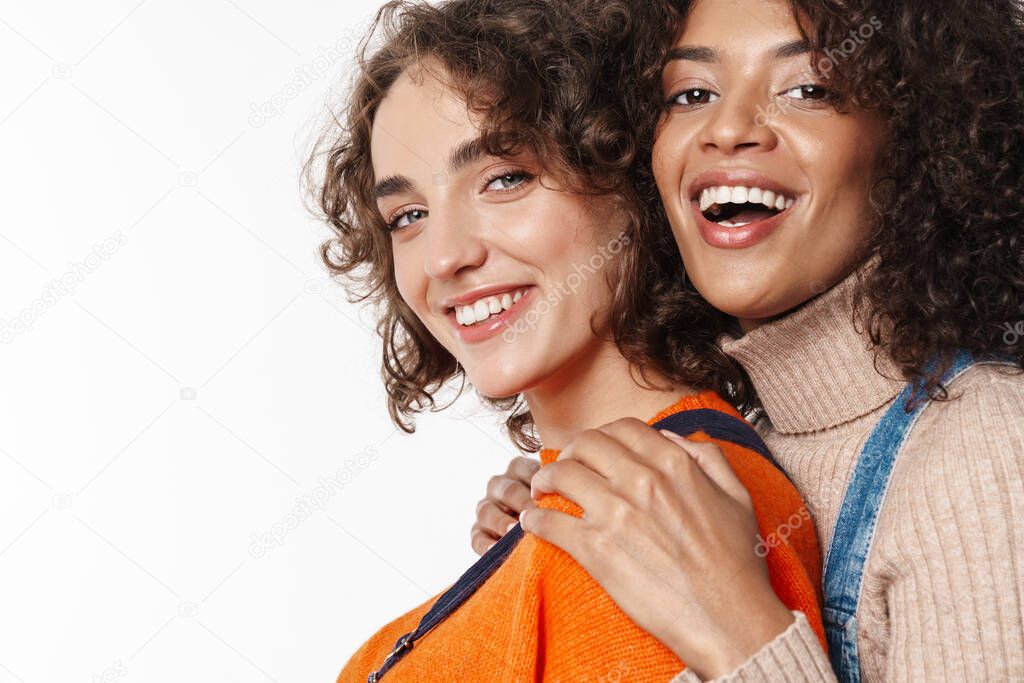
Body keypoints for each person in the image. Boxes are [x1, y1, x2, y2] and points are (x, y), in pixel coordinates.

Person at [475, 0, 1024, 680]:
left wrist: (739, 629)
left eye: (809, 90)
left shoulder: (985, 449)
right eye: (692, 94)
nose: (728, 128)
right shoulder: (751, 431)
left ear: (921, 136)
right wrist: (578, 511)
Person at [309, 1, 829, 680]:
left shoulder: (669, 518)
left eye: (505, 178)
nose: (443, 256)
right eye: (408, 215)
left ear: (632, 175)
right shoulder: (588, 511)